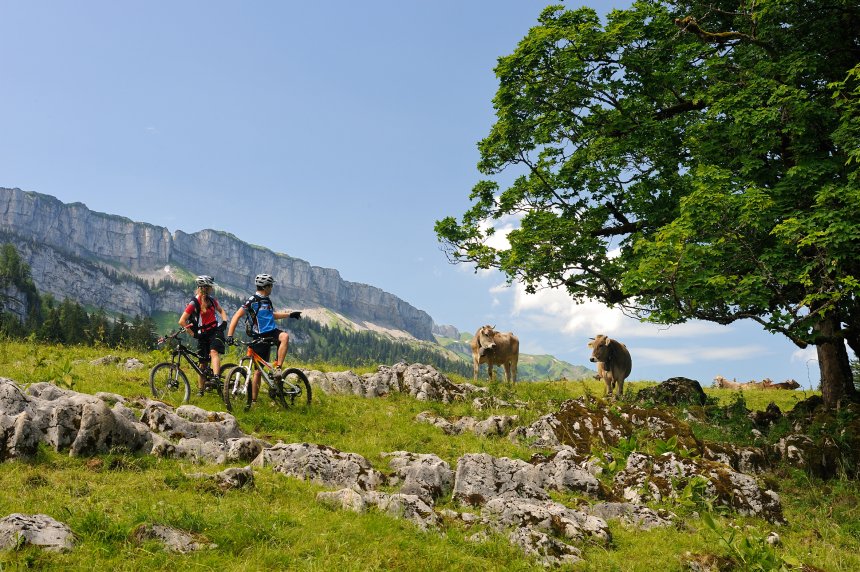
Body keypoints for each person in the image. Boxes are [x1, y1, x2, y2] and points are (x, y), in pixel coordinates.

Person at [226, 273, 301, 407]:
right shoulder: (252, 301)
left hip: (272, 332)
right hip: (259, 336)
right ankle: (254, 401)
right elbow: (237, 315)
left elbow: (271, 316)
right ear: (266, 287)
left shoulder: (267, 300)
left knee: (285, 336)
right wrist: (230, 335)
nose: (272, 288)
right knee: (258, 372)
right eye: (271, 285)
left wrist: (290, 314)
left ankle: (278, 368)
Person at [178, 275, 228, 396]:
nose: (212, 288)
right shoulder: (194, 303)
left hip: (215, 331)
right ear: (205, 288)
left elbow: (221, 311)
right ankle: (201, 390)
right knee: (203, 364)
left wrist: (224, 322)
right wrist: (193, 334)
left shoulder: (212, 300)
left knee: (214, 352)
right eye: (210, 287)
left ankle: (216, 377)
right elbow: (182, 321)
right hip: (202, 335)